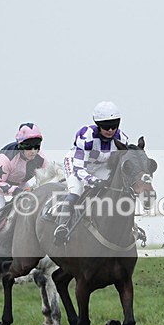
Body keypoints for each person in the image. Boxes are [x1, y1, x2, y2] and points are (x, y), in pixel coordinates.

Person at [53, 101, 130, 245]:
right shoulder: (86, 136)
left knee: (113, 191)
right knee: (76, 190)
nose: (111, 130)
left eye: (114, 126)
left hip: (100, 166)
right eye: (106, 127)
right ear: (98, 124)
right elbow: (79, 169)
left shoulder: (122, 139)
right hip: (77, 164)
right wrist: (93, 181)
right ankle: (61, 227)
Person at [0, 123, 48, 246]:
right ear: (21, 145)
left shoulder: (41, 159)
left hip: (19, 182)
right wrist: (15, 191)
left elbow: (46, 178)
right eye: (29, 147)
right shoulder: (7, 157)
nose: (33, 151)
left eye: (36, 146)